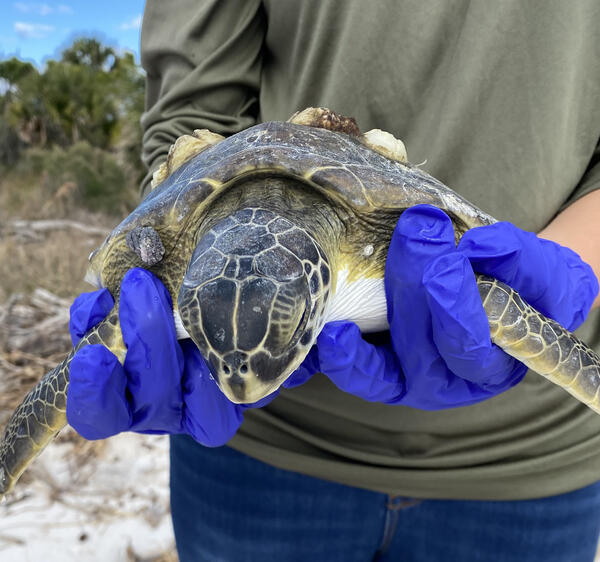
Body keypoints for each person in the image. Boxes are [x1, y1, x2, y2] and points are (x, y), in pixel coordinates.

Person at [66, 1, 600, 560]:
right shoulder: (236, 374)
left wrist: (576, 261)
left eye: (287, 326)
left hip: (531, 459)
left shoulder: (404, 241)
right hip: (263, 450)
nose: (241, 380)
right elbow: (191, 105)